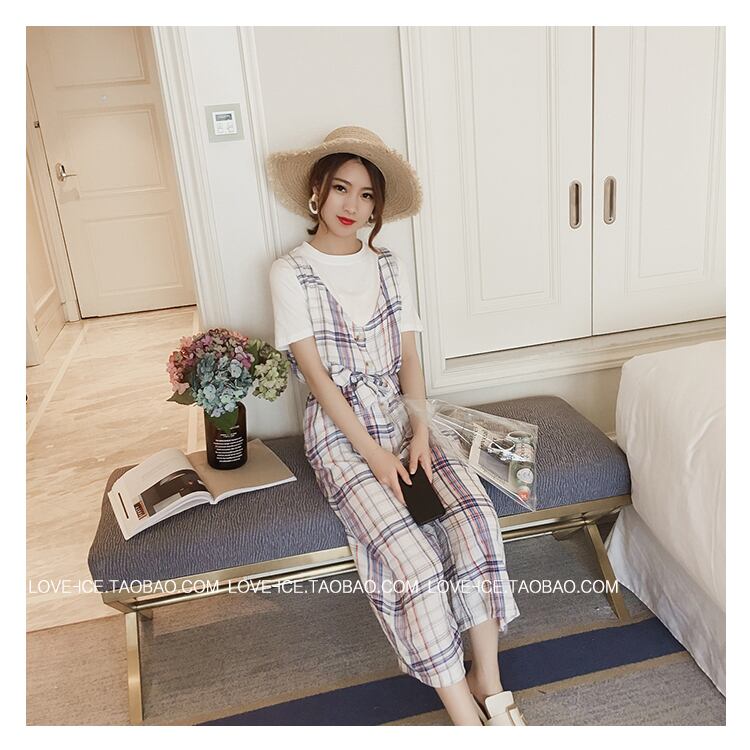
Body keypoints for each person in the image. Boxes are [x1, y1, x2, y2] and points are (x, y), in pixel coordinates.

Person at [266, 126, 525, 726]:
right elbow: (317, 380)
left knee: (475, 519)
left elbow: (409, 357)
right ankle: (463, 713)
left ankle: (489, 680)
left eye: (366, 196)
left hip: (406, 419)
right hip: (342, 437)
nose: (352, 205)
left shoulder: (389, 265)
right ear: (316, 191)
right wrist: (375, 456)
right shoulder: (289, 272)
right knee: (416, 564)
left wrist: (420, 433)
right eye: (340, 188)